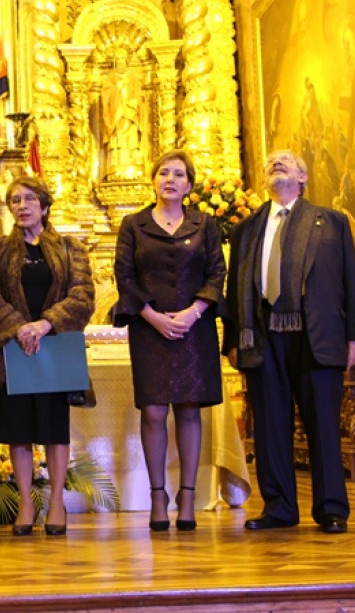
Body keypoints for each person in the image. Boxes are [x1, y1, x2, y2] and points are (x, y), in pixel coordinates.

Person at [222, 149, 355, 534]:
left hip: (317, 335)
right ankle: (279, 508)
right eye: (271, 161)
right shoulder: (246, 229)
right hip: (262, 336)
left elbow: (349, 282)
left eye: (287, 161)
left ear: (303, 177)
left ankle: (331, 509)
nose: (276, 164)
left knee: (322, 424)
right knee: (270, 427)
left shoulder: (332, 222)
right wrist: (234, 339)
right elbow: (235, 290)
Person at [112, 149, 225, 532]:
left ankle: (188, 496)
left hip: (195, 328)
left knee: (190, 410)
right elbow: (124, 277)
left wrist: (193, 312)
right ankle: (158, 496)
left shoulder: (206, 224)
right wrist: (153, 316)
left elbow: (216, 273)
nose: (170, 179)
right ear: (154, 181)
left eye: (179, 174)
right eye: (164, 173)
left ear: (189, 185)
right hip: (150, 328)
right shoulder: (134, 224)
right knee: (155, 411)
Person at [0, 176, 94, 536]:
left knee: (53, 430)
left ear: (45, 206)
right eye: (15, 200)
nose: (22, 206)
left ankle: (57, 501)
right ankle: (27, 502)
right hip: (13, 352)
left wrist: (44, 325)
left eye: (30, 199)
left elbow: (82, 295)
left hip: (53, 349)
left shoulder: (68, 248)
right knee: (19, 432)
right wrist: (18, 327)